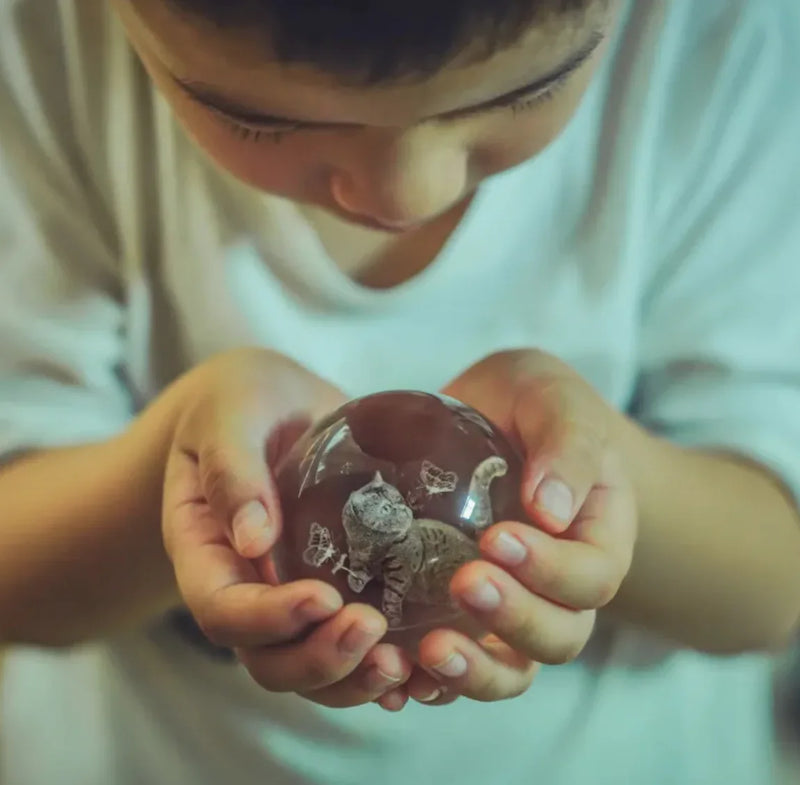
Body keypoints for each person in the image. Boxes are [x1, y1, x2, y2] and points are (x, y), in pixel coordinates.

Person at [1, 0, 799, 783]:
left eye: (527, 91)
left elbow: (775, 584)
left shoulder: (720, 43)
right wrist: (176, 474)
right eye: (256, 118)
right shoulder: (44, 53)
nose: (405, 193)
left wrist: (596, 472)